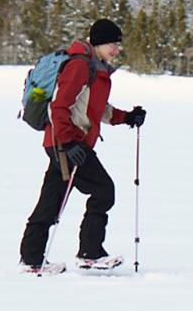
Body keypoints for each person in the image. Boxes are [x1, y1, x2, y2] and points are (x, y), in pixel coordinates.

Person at [19, 19, 148, 272]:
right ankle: (90, 252)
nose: (117, 49)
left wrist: (127, 117)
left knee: (51, 200)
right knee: (103, 190)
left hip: (67, 143)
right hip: (67, 143)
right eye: (113, 44)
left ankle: (31, 259)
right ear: (99, 42)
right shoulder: (80, 66)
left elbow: (97, 110)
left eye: (118, 45)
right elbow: (59, 106)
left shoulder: (96, 68)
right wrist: (67, 143)